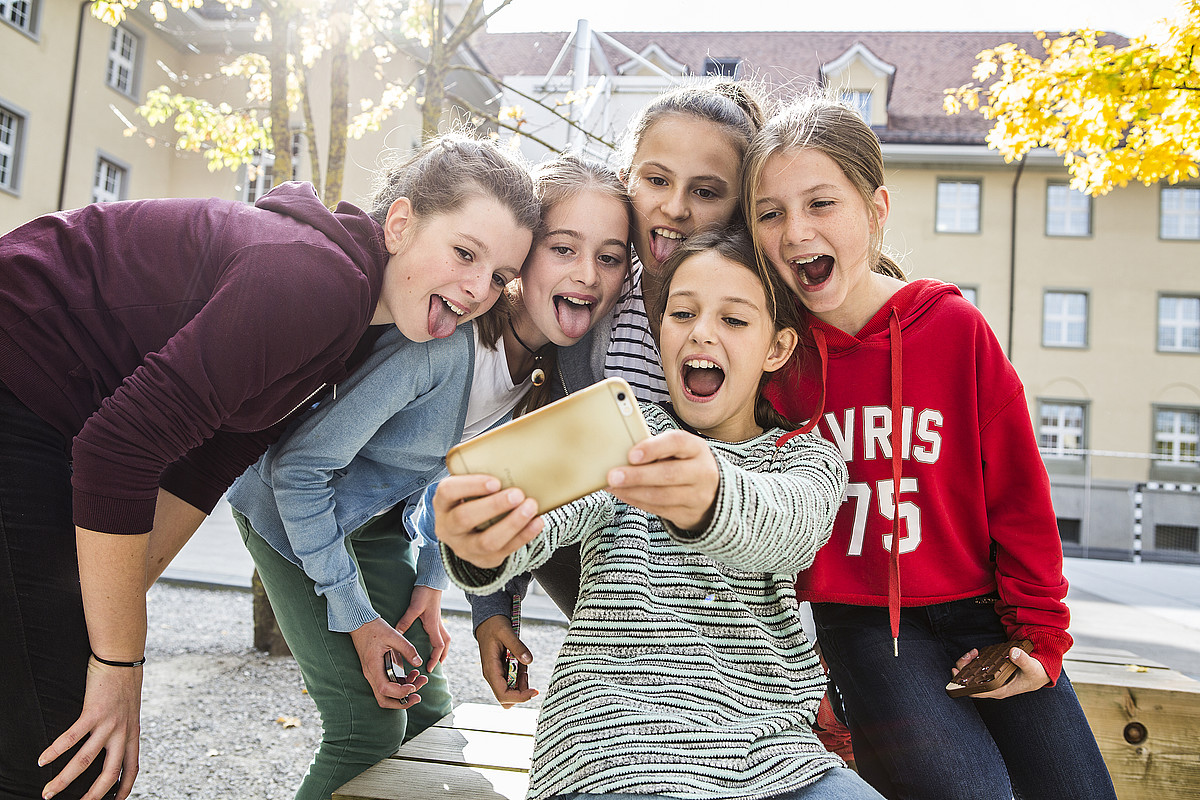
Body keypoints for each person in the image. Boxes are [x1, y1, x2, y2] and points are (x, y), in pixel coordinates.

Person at [0, 131, 539, 800]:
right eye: (464, 253)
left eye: (499, 276)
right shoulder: (315, 284)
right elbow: (118, 451)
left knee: (51, 686)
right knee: (75, 755)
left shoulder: (352, 321)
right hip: (21, 374)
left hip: (49, 412)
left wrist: (102, 612)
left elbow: (212, 459)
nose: (476, 289)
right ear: (399, 224)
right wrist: (120, 663)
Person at [743, 93, 1117, 800]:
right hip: (865, 630)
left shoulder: (953, 329)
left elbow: (1018, 495)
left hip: (987, 612)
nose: (796, 231)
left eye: (821, 204)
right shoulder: (775, 355)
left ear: (876, 209)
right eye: (772, 213)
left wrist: (1040, 637)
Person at [225, 153, 631, 800]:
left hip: (375, 527)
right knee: (367, 730)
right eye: (562, 248)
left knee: (428, 717)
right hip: (291, 515)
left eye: (610, 258)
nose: (586, 273)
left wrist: (431, 584)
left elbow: (451, 483)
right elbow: (300, 471)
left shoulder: (544, 379)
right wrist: (359, 619)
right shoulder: (441, 350)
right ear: (523, 256)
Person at [435, 228, 883, 800]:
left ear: (777, 347)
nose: (702, 332)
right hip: (610, 749)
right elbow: (550, 518)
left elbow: (788, 528)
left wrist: (710, 499)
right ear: (660, 330)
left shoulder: (804, 457)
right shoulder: (621, 430)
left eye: (735, 320)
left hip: (774, 759)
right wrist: (484, 543)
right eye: (683, 314)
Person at [467, 78, 770, 707]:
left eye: (706, 192)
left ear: (738, 206)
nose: (675, 209)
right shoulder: (593, 286)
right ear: (627, 178)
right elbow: (524, 454)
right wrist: (493, 608)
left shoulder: (754, 302)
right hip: (607, 565)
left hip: (724, 576)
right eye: (656, 181)